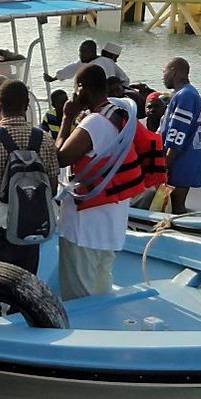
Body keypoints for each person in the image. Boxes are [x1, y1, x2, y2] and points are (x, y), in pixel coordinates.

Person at [55, 65, 148, 299]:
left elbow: (60, 156)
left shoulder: (94, 123)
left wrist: (67, 117)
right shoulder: (119, 116)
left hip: (85, 227)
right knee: (102, 287)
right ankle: (103, 331)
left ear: (82, 88)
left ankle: (84, 334)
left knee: (79, 294)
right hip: (111, 223)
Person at [0, 80, 59, 280]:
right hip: (28, 233)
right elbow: (52, 188)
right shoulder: (45, 140)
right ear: (27, 106)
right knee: (22, 291)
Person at [159, 58, 201, 213]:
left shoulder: (186, 95)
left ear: (173, 71)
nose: (163, 76)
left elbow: (178, 132)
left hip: (182, 160)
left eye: (164, 71)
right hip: (181, 159)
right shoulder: (182, 94)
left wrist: (166, 163)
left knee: (177, 207)